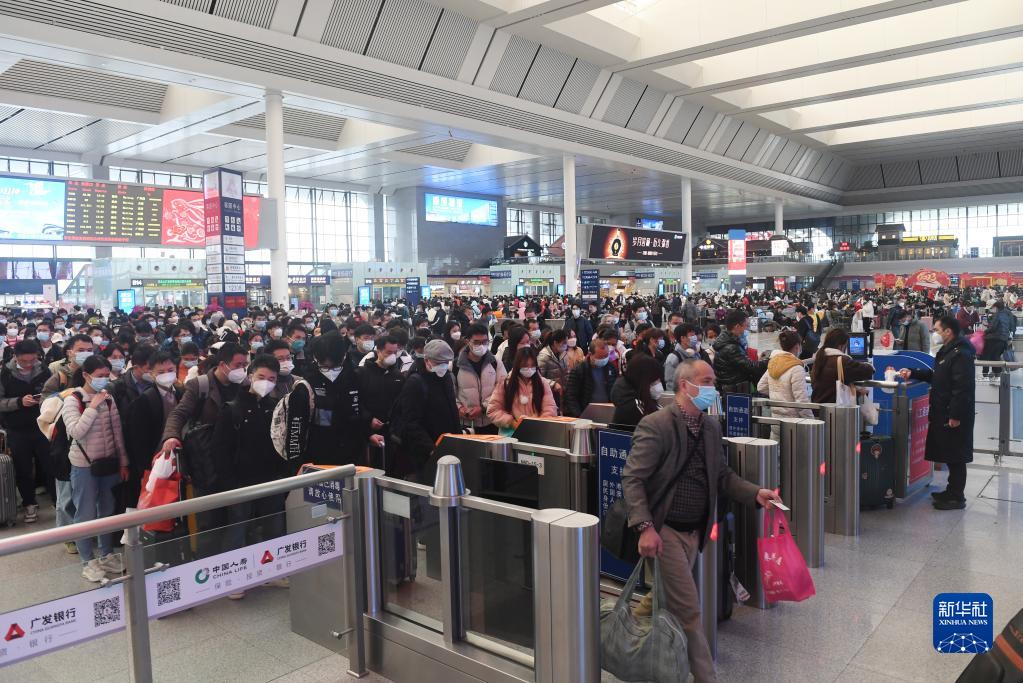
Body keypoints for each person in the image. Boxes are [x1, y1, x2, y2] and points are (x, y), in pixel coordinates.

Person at [622, 359, 782, 683]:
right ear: (685, 385)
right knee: (690, 610)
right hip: (665, 530)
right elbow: (633, 479)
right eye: (706, 381)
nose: (713, 387)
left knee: (664, 595)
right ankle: (706, 676)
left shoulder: (710, 426)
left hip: (694, 532)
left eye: (713, 381)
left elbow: (722, 475)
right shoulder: (657, 425)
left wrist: (755, 493)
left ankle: (627, 639)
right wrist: (646, 528)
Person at [211, 354, 291, 598]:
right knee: (237, 528)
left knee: (273, 525)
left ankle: (272, 571)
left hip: (270, 478)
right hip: (240, 481)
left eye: (272, 379)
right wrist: (229, 483)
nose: (266, 382)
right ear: (250, 376)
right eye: (261, 377)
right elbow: (220, 450)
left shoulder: (276, 407)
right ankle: (232, 579)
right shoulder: (232, 409)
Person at [62, 355, 129, 582]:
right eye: (99, 375)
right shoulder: (73, 400)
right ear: (86, 375)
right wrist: (91, 407)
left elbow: (117, 433)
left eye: (106, 375)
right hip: (84, 465)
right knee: (85, 513)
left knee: (107, 510)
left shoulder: (109, 398)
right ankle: (87, 561)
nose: (104, 379)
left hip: (108, 463)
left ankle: (106, 554)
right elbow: (75, 432)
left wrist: (123, 461)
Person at [899, 316, 975, 510]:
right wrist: (914, 372)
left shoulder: (961, 353)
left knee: (956, 455)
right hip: (943, 410)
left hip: (953, 413)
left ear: (948, 332)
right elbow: (937, 375)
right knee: (950, 452)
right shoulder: (948, 350)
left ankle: (957, 497)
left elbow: (962, 388)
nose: (934, 333)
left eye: (937, 330)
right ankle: (951, 491)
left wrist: (955, 415)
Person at [391, 339, 461, 481]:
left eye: (446, 362)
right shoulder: (415, 382)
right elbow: (411, 422)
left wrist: (458, 438)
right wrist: (431, 448)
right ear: (427, 360)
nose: (443, 366)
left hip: (446, 445)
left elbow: (452, 410)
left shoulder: (446, 377)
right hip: (424, 451)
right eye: (438, 362)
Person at [0, 340, 53, 523]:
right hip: (17, 429)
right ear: (16, 357)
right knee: (23, 468)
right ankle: (29, 503)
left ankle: (58, 502)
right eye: (25, 361)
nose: (29, 364)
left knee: (50, 465)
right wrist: (19, 402)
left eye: (33, 360)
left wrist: (44, 399)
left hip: (42, 427)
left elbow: (54, 393)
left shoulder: (44, 370)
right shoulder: (5, 374)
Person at [123, 351, 181, 507]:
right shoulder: (144, 400)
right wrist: (144, 470)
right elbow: (138, 441)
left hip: (178, 459)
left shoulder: (181, 393)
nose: (167, 375)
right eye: (161, 372)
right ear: (152, 374)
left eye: (170, 370)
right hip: (154, 462)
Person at [356, 335, 405, 469]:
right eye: (388, 352)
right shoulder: (362, 373)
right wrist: (369, 419)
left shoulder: (398, 376)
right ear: (378, 351)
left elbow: (400, 403)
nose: (392, 356)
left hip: (391, 433)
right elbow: (356, 401)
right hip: (367, 431)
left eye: (395, 352)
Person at [756, 330, 813, 438]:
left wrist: (777, 394)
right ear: (797, 346)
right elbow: (801, 401)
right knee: (793, 448)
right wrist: (811, 421)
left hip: (775, 420)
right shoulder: (796, 368)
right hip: (793, 422)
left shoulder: (774, 363)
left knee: (776, 448)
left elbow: (761, 387)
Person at [486, 347, 558, 433]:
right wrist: (512, 422)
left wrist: (538, 423)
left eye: (532, 365)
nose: (529, 369)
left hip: (537, 432)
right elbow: (493, 410)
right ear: (517, 365)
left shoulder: (542, 383)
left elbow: (550, 409)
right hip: (510, 433)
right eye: (525, 365)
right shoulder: (505, 383)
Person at [454, 323, 506, 435]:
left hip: (491, 420)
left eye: (484, 342)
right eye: (476, 342)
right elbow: (451, 392)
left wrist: (483, 407)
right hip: (466, 422)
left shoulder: (495, 362)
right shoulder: (455, 365)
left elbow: (502, 389)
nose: (481, 345)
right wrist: (459, 408)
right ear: (468, 341)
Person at [712, 310, 767, 399]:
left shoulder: (728, 342)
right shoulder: (730, 347)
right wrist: (770, 361)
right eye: (746, 326)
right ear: (737, 326)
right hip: (734, 392)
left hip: (732, 389)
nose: (747, 329)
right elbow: (750, 366)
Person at [809, 328, 875, 403]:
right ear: (841, 346)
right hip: (834, 407)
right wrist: (869, 365)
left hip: (817, 406)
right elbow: (868, 371)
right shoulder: (843, 361)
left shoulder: (819, 358)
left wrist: (858, 393)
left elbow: (829, 386)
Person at [562, 338, 617, 417]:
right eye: (600, 357)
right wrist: (579, 416)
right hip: (585, 414)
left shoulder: (611, 367)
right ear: (590, 354)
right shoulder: (579, 370)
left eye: (606, 356)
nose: (604, 359)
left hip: (607, 413)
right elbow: (571, 396)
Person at [610, 353, 663, 427]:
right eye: (654, 381)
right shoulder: (632, 409)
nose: (658, 384)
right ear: (643, 381)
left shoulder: (644, 400)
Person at [981, 300, 1014, 380]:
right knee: (996, 357)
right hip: (1003, 339)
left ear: (996, 307)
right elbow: (1011, 326)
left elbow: (993, 328)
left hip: (994, 339)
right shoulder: (1007, 314)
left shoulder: (998, 315)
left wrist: (984, 332)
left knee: (986, 356)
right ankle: (997, 376)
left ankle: (985, 375)